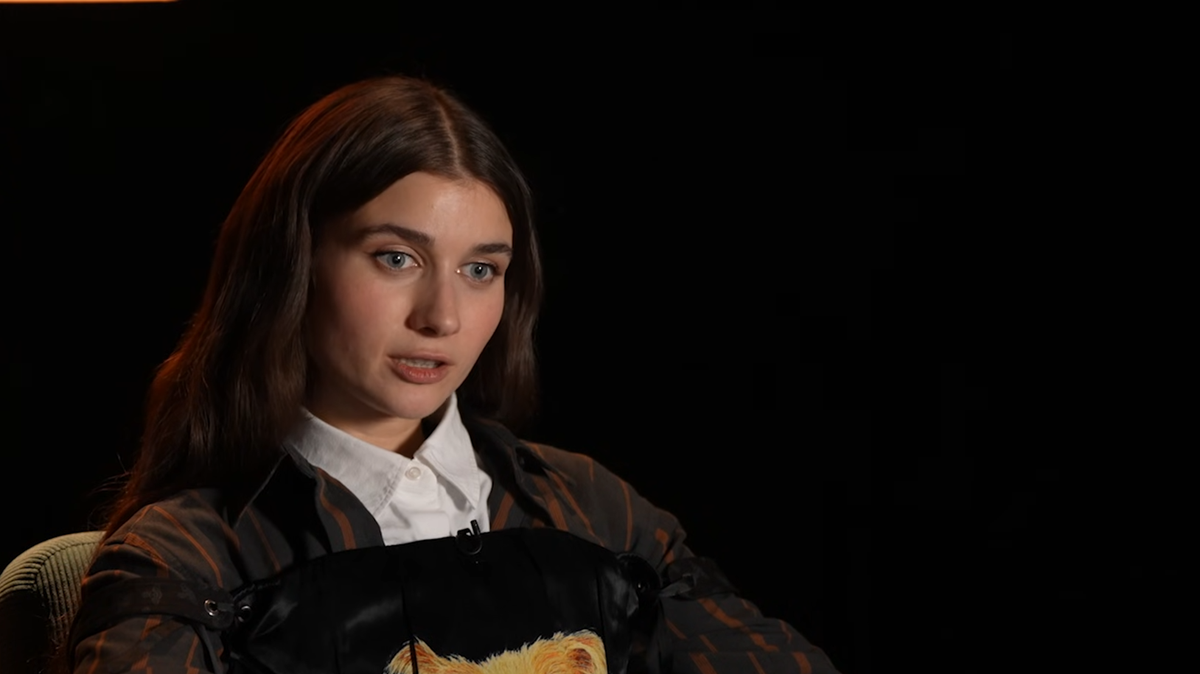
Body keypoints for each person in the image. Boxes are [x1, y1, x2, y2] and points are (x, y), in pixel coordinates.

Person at [67, 76, 839, 673]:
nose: (442, 317)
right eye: (396, 257)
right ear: (292, 263)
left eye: (480, 269)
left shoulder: (594, 508)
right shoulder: (188, 553)